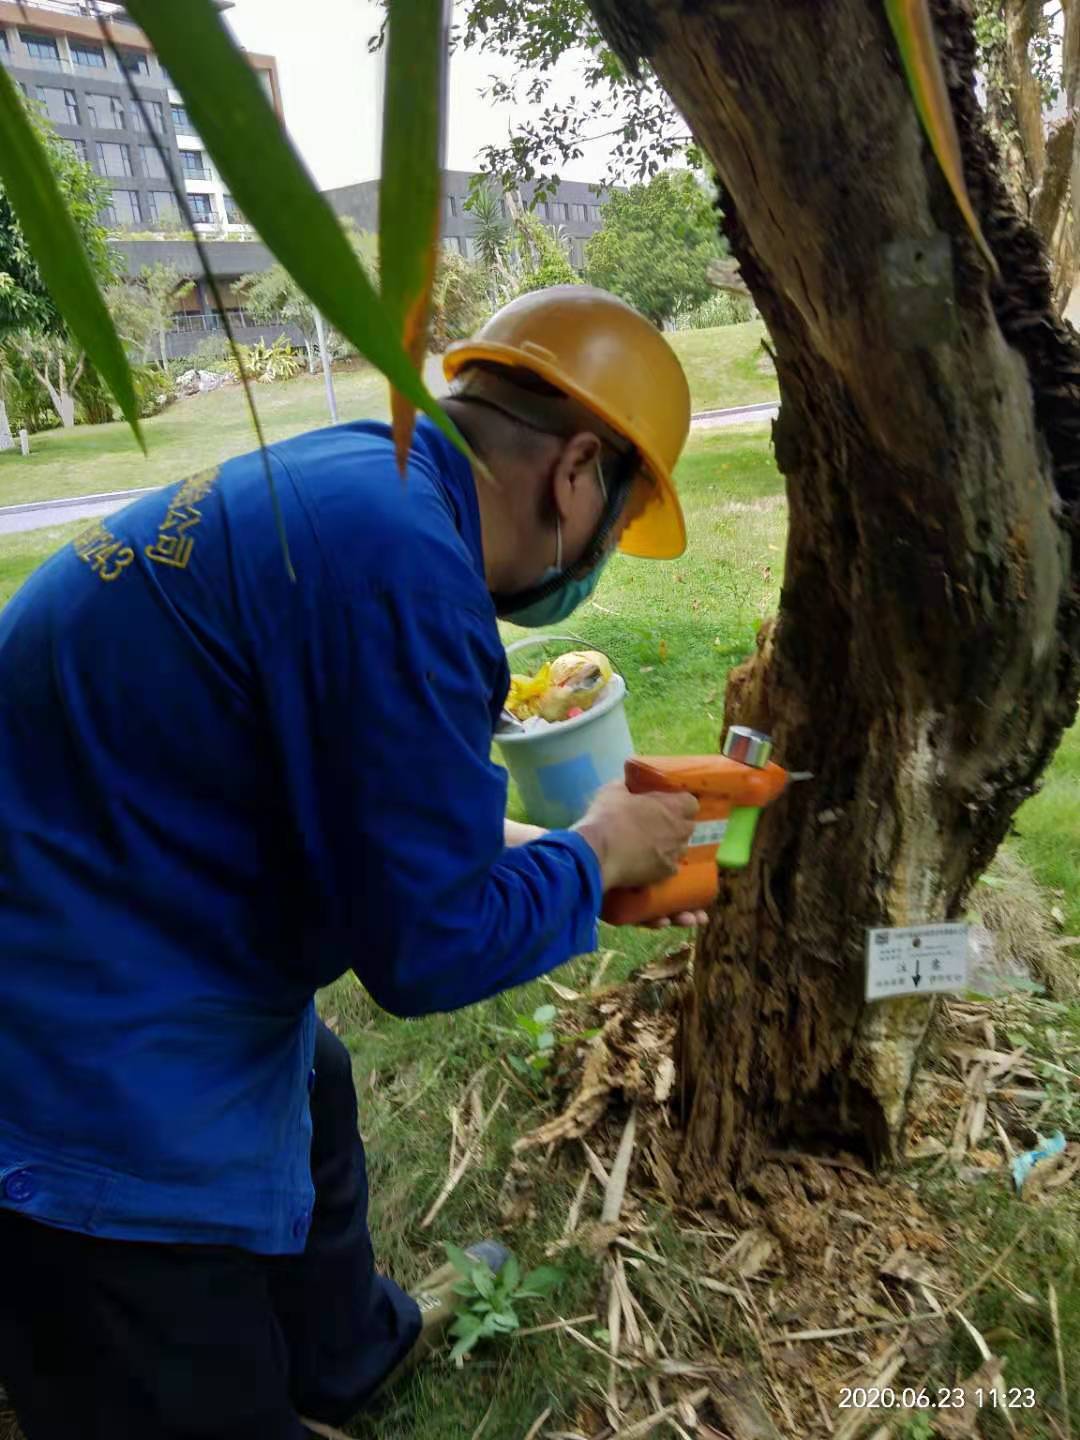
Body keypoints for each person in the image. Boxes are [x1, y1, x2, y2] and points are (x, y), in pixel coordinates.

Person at [0, 285, 699, 1438]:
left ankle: (343, 1353)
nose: (604, 556)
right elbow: (424, 949)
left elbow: (368, 792)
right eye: (622, 525)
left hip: (98, 879)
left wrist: (567, 859)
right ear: (578, 471)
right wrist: (587, 857)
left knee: (311, 1084)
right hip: (66, 1035)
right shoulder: (407, 571)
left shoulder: (369, 483)